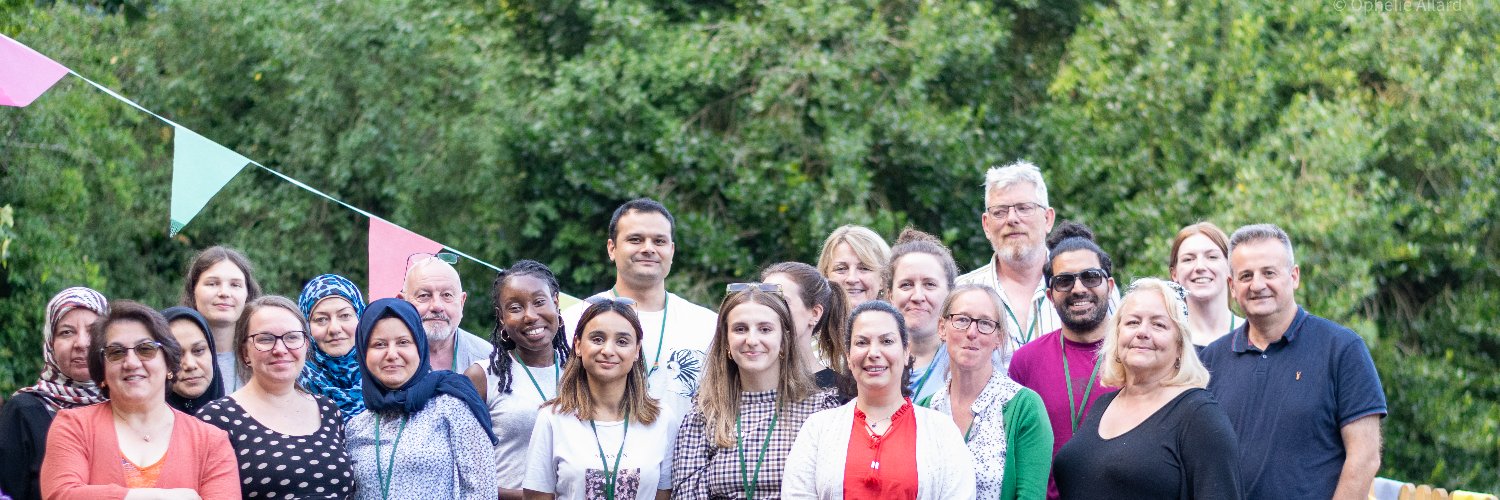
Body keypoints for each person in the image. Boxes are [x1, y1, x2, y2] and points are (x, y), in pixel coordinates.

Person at [1199, 224, 1386, 500]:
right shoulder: (1211, 360)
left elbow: (1365, 456)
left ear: (1294, 276)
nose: (1258, 284)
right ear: (1232, 286)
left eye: (1269, 273)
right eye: (1246, 275)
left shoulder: (1342, 349)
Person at [1053, 278, 1241, 499]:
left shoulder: (1199, 415)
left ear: (1180, 345)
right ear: (1117, 334)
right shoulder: (1102, 405)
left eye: (1158, 324)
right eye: (1132, 322)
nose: (1142, 332)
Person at [40, 301, 240, 499]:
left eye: (146, 349)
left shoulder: (211, 443)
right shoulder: (74, 427)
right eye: (116, 353)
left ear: (170, 364)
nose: (132, 363)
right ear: (102, 370)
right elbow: (61, 495)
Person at [782, 301, 976, 499]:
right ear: (848, 356)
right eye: (862, 342)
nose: (873, 353)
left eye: (887, 341)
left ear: (906, 351)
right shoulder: (818, 429)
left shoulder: (941, 430)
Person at [672, 283, 841, 498]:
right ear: (726, 341)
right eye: (740, 329)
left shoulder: (820, 409)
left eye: (765, 329)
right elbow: (688, 495)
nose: (752, 340)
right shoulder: (705, 414)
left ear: (784, 340)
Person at [559, 198, 717, 416]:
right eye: (635, 239)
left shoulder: (707, 324)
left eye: (659, 241)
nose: (648, 249)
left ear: (671, 251)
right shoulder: (576, 319)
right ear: (611, 248)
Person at [957, 162, 1119, 368]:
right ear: (986, 225)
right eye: (1000, 212)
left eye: (1024, 208)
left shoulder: (1093, 285)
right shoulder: (961, 292)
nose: (1012, 219)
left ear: (1048, 218)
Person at [196, 296, 355, 498]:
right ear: (245, 351)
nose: (280, 349)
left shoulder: (329, 410)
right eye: (265, 339)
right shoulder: (217, 419)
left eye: (292, 337)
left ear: (306, 345)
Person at [525, 297, 681, 500]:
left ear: (636, 351)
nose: (608, 350)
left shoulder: (661, 419)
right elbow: (537, 496)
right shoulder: (552, 418)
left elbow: (665, 495)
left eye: (622, 341)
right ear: (578, 345)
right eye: (597, 339)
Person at [346, 298, 498, 499]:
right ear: (364, 354)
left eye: (403, 342)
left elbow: (482, 490)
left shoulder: (453, 408)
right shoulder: (355, 427)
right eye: (379, 344)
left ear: (420, 347)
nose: (392, 354)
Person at [1006, 222, 1116, 500]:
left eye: (1090, 277)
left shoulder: (1137, 354)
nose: (1078, 289)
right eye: (1064, 281)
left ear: (1110, 286)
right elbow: (1011, 454)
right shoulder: (1025, 361)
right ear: (1050, 295)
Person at [923, 285, 1052, 500]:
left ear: (999, 337)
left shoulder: (1024, 407)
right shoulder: (926, 409)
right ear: (942, 328)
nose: (971, 333)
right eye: (962, 319)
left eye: (984, 323)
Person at [462, 260, 573, 499]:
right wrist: (534, 497)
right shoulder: (482, 377)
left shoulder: (581, 372)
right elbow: (465, 471)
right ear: (501, 317)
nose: (531, 316)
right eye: (515, 308)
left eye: (539, 302)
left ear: (556, 303)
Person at [0, 287, 109, 500]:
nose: (82, 343)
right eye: (67, 332)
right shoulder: (24, 411)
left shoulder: (125, 406)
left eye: (94, 331)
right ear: (50, 342)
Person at [883, 228, 958, 404]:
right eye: (906, 285)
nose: (917, 296)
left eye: (929, 284)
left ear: (950, 294)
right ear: (890, 295)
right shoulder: (871, 359)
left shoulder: (969, 360)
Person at [180, 245, 263, 392]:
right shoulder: (169, 357)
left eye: (235, 285)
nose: (224, 293)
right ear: (193, 291)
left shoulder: (263, 358)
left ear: (247, 295)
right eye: (212, 284)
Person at [760, 262, 850, 390]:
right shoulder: (744, 382)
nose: (768, 310)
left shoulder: (839, 393)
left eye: (781, 302)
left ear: (814, 313)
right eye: (763, 301)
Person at [298, 273, 368, 421]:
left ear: (361, 317)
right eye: (321, 319)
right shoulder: (292, 384)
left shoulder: (385, 375)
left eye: (344, 316)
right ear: (305, 326)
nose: (334, 329)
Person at [1168, 222, 1243, 347]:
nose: (1200, 267)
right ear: (1174, 273)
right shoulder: (1166, 341)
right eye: (1188, 259)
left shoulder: (1254, 337)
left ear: (1230, 267)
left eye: (1212, 257)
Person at [161, 307, 224, 414]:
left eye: (199, 350)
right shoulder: (141, 423)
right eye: (176, 354)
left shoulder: (237, 416)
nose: (190, 364)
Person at [815, 224, 891, 305]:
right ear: (825, 276)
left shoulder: (900, 317)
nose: (852, 279)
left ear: (882, 279)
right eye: (841, 269)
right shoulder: (808, 317)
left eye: (864, 268)